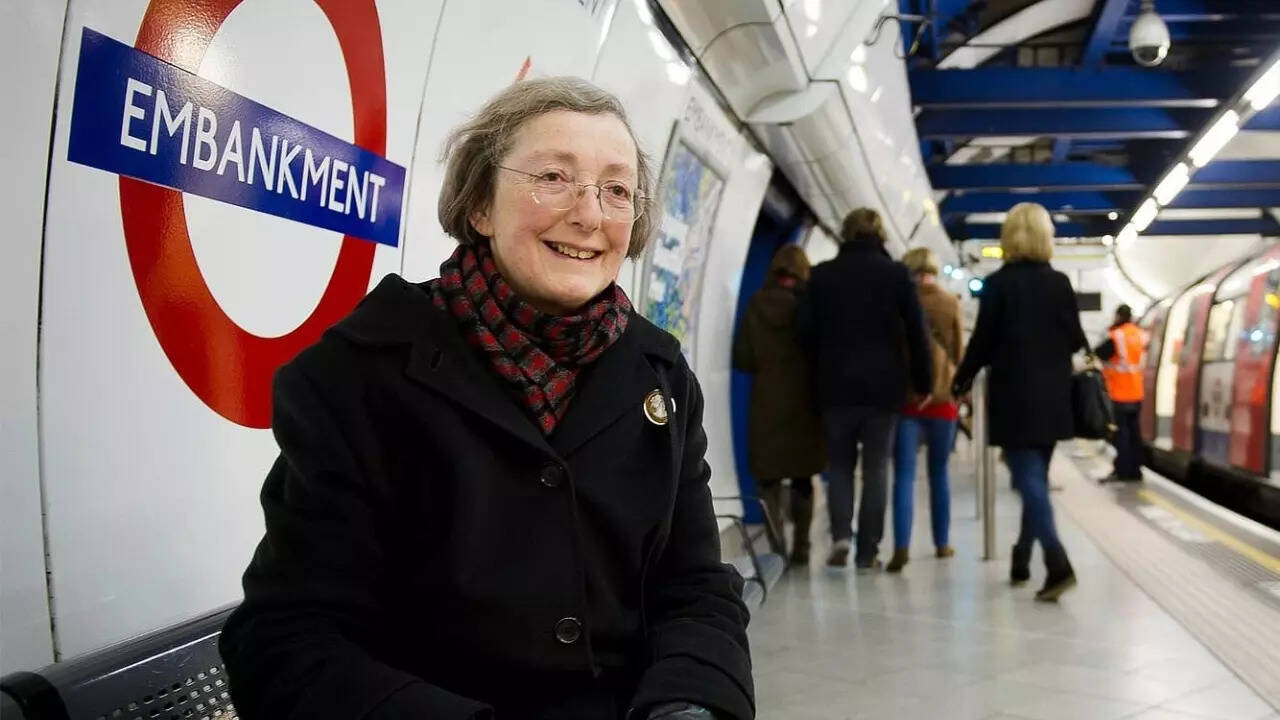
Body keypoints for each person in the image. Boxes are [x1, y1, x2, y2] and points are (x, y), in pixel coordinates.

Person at [220, 77, 754, 720]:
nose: (590, 215)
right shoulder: (359, 376)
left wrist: (691, 703)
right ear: (480, 206)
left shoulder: (660, 377)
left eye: (617, 190)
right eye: (554, 177)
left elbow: (692, 584)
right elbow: (288, 637)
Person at [951, 202, 1089, 602]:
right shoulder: (1060, 283)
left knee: (1026, 480)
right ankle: (1021, 557)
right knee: (1036, 481)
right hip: (1053, 395)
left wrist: (960, 380)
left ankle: (1058, 562)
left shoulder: (998, 285)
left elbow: (982, 344)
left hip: (1013, 393)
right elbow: (1075, 340)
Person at [798, 208, 932, 572]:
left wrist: (818, 370)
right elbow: (918, 335)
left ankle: (842, 535)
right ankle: (868, 551)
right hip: (884, 388)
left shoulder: (822, 276)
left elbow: (805, 333)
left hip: (834, 386)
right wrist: (924, 383)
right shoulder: (896, 275)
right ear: (880, 234)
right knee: (876, 468)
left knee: (839, 465)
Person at [732, 245, 826, 565]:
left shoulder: (756, 304)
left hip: (766, 403)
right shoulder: (810, 306)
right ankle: (802, 546)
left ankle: (777, 547)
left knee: (768, 479)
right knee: (803, 478)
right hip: (805, 402)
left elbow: (742, 358)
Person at [887, 248, 964, 573]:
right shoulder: (950, 303)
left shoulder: (898, 302)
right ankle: (941, 543)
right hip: (943, 402)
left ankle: (901, 546)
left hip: (906, 401)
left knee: (903, 475)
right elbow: (959, 351)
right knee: (939, 474)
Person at [1095, 304, 1146, 483]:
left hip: (1119, 393)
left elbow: (1098, 354)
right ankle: (1136, 470)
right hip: (1136, 392)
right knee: (1134, 435)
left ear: (1118, 316)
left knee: (1120, 435)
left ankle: (1123, 470)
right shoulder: (1139, 334)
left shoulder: (1116, 335)